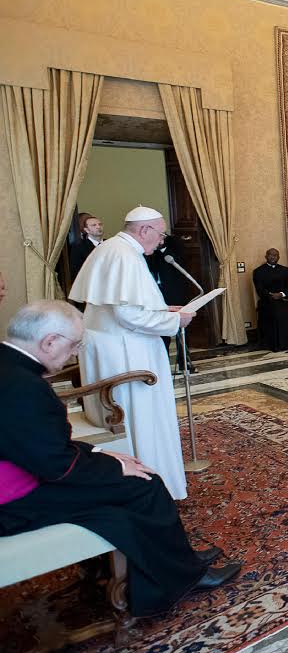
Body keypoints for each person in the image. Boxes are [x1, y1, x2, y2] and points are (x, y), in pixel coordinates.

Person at [0, 301, 241, 617]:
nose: (74, 354)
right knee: (145, 483)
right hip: (15, 500)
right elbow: (56, 465)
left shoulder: (9, 366)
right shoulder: (24, 386)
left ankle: (181, 561)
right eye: (74, 345)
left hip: (22, 473)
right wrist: (115, 466)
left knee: (130, 478)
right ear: (49, 342)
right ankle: (184, 578)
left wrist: (98, 453)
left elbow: (33, 442)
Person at [68, 206, 194, 501]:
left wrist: (163, 310)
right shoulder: (125, 255)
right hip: (126, 354)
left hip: (112, 347)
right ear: (144, 230)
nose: (161, 240)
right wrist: (174, 321)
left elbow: (126, 305)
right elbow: (127, 314)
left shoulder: (112, 248)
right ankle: (147, 482)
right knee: (141, 419)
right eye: (160, 234)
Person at [147, 233, 195, 373]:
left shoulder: (174, 248)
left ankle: (184, 362)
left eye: (162, 238)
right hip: (157, 298)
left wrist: (162, 249)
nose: (159, 240)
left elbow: (179, 262)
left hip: (175, 296)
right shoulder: (149, 252)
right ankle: (163, 364)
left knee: (182, 332)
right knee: (162, 334)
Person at [252, 248, 288, 351]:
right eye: (270, 255)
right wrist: (272, 296)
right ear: (266, 256)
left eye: (275, 255)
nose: (273, 257)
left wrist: (281, 294)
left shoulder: (284, 270)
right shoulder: (258, 271)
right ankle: (280, 344)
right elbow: (260, 289)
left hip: (284, 299)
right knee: (278, 313)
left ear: (278, 257)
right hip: (267, 300)